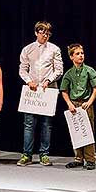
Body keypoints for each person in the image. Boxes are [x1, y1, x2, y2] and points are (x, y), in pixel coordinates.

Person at [18, 21, 63, 166]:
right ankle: (27, 154)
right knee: (29, 123)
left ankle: (44, 154)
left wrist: (48, 80)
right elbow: (22, 69)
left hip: (48, 90)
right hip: (32, 91)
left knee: (46, 124)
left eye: (48, 33)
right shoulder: (28, 49)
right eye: (42, 32)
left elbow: (59, 70)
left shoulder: (54, 49)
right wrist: (28, 80)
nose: (45, 35)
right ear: (36, 32)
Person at [61, 44, 96, 170]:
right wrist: (69, 103)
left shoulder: (89, 70)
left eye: (82, 53)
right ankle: (78, 158)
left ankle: (90, 159)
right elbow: (64, 90)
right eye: (77, 54)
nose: (81, 56)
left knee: (87, 131)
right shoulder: (69, 73)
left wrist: (89, 101)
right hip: (74, 105)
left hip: (85, 104)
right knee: (76, 132)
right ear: (71, 57)